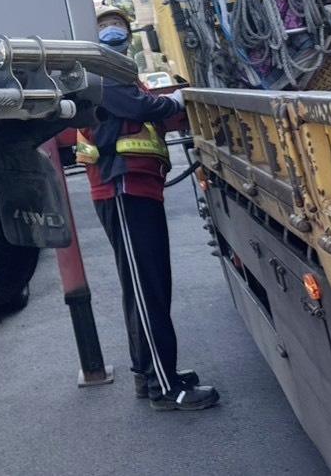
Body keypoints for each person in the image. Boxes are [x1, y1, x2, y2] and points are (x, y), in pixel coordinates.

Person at [77, 27, 219, 411]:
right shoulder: (105, 78)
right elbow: (143, 109)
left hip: (135, 189)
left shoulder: (118, 78)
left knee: (147, 288)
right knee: (146, 290)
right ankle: (163, 385)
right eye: (110, 39)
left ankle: (149, 373)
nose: (118, 43)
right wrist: (177, 99)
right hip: (122, 189)